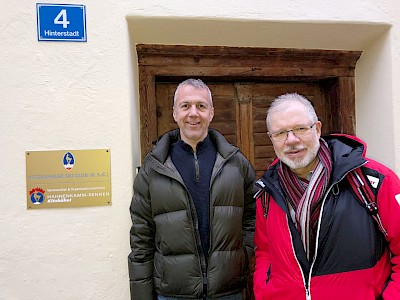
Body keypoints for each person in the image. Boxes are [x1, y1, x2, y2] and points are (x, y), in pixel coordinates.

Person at [253, 93, 400, 299]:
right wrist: (264, 291)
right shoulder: (267, 193)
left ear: (318, 129)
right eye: (280, 133)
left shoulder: (373, 181)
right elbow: (265, 252)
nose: (291, 140)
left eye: (300, 129)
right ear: (271, 139)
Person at [128, 78, 256, 300]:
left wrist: (243, 257)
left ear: (212, 113)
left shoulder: (236, 163)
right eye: (185, 106)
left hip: (229, 291)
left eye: (201, 106)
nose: (193, 113)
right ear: (175, 113)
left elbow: (252, 220)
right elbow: (141, 238)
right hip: (173, 293)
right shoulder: (154, 168)